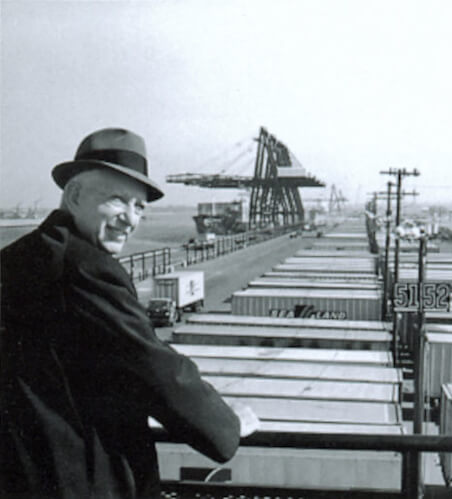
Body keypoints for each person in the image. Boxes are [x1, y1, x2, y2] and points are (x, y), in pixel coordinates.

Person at [0, 128, 260, 498]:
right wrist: (226, 426)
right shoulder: (87, 267)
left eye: (139, 207)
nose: (131, 219)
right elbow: (153, 365)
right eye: (118, 200)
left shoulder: (15, 259)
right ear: (74, 195)